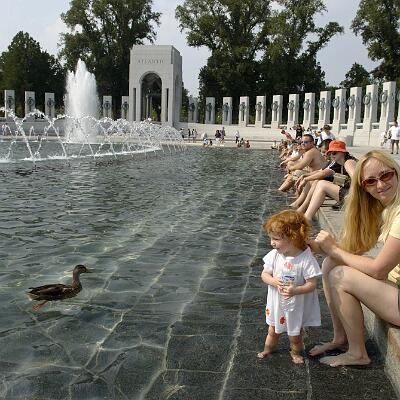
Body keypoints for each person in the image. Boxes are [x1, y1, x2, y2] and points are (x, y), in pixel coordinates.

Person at [309, 150, 400, 367]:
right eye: (371, 181)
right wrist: (321, 249)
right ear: (364, 187)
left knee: (340, 275)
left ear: (396, 172)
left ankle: (358, 354)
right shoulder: (388, 208)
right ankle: (341, 338)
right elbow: (356, 249)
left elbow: (378, 270)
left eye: (386, 175)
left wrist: (334, 249)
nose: (380, 185)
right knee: (331, 263)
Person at [257, 210, 321, 364]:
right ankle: (267, 349)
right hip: (276, 304)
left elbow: (312, 284)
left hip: (295, 306)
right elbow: (264, 275)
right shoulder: (274, 255)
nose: (272, 243)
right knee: (272, 331)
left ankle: (295, 352)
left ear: (293, 237)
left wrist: (296, 290)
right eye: (271, 238)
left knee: (295, 335)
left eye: (276, 239)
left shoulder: (305, 259)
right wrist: (273, 281)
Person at [298, 140, 357, 217]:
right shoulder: (339, 162)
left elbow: (357, 180)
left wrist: (306, 179)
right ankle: (304, 213)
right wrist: (305, 176)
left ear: (343, 152)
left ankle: (306, 216)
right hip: (350, 195)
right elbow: (322, 171)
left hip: (354, 198)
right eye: (330, 153)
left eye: (334, 153)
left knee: (321, 184)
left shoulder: (348, 162)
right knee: (319, 182)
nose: (332, 155)